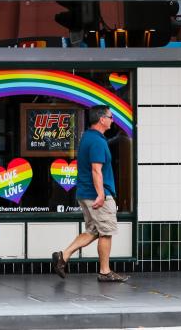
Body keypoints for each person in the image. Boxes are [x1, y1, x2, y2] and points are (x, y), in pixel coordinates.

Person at [51, 105, 129, 282]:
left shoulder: (88, 137)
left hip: (85, 193)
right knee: (106, 233)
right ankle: (104, 271)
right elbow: (96, 170)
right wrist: (101, 194)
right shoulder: (97, 141)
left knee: (93, 231)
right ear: (102, 119)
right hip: (96, 195)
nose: (112, 120)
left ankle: (63, 255)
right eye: (110, 117)